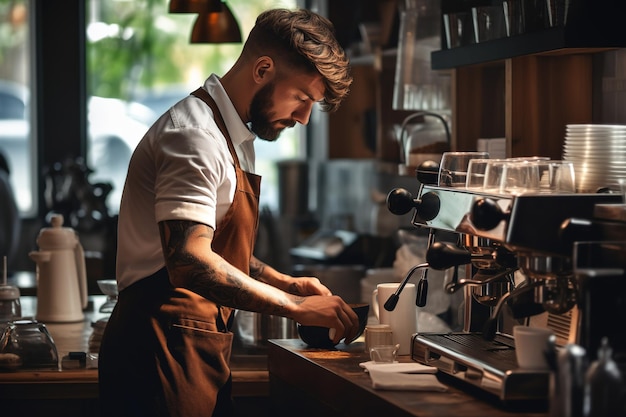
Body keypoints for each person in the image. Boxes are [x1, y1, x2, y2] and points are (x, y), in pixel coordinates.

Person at [98, 8, 356, 417]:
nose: (304, 118)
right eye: (303, 98)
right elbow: (187, 259)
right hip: (159, 344)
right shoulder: (194, 136)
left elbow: (216, 247)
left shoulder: (233, 135)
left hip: (193, 342)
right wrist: (296, 308)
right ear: (263, 69)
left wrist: (284, 283)